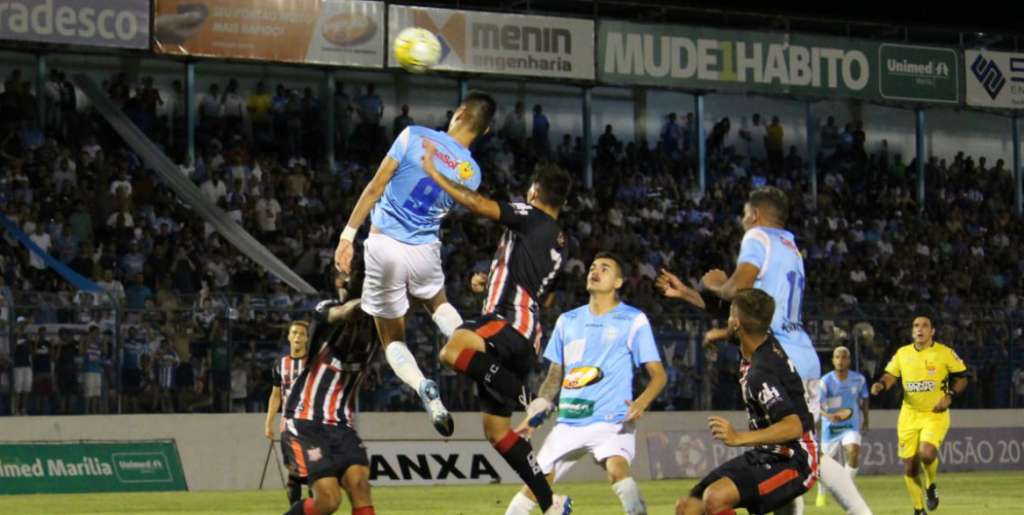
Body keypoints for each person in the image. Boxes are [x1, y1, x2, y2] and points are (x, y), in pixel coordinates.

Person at [658, 186, 870, 515]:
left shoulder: (758, 238)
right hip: (798, 352)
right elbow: (746, 312)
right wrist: (690, 295)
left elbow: (736, 291)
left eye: (744, 214)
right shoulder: (790, 246)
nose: (743, 221)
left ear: (755, 215)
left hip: (777, 358)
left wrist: (713, 283)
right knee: (788, 457)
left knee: (799, 453)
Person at [419, 145, 574, 515]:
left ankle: (529, 398)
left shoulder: (529, 214)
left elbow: (479, 205)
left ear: (534, 192)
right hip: (525, 331)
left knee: (452, 351)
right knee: (498, 432)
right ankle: (551, 503)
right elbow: (542, 295)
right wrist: (489, 282)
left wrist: (435, 173)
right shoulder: (559, 241)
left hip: (507, 319)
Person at [333, 92, 497, 437]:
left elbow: (376, 187)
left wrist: (347, 235)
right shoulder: (473, 173)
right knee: (439, 304)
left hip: (384, 245)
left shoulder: (412, 136)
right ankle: (482, 354)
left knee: (391, 336)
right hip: (424, 249)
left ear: (460, 112)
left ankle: (424, 386)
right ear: (483, 132)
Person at [505, 253, 666, 515]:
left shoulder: (633, 320)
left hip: (612, 419)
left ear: (618, 282)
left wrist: (641, 402)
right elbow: (555, 375)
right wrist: (537, 411)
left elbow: (659, 375)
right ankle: (556, 507)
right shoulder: (567, 321)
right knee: (534, 486)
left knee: (617, 471)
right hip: (569, 421)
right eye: (592, 267)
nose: (595, 271)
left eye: (605, 268)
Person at [676, 289, 818, 515]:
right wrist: (686, 295)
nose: (728, 321)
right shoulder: (761, 338)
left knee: (714, 499)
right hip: (767, 453)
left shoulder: (760, 372)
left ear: (738, 324)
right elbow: (746, 321)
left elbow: (793, 426)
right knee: (689, 507)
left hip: (795, 458)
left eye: (731, 316)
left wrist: (738, 438)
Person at [280, 294, 378, 515]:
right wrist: (372, 297)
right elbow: (343, 312)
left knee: (360, 484)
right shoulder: (329, 311)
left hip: (341, 424)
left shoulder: (379, 327)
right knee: (329, 500)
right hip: (306, 423)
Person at [871, 316, 968, 515]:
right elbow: (891, 375)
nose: (919, 329)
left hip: (935, 414)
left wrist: (949, 396)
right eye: (916, 325)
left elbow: (962, 377)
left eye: (925, 326)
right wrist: (881, 384)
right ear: (912, 331)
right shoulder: (903, 353)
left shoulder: (944, 353)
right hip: (909, 416)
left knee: (927, 452)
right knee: (910, 467)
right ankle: (918, 510)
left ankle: (931, 485)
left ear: (932, 331)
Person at [816, 346, 869, 507]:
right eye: (837, 357)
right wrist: (828, 416)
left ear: (849, 360)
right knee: (823, 465)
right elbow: (817, 405)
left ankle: (843, 489)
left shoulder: (859, 379)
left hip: (850, 426)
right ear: (833, 360)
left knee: (853, 452)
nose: (840, 360)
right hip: (830, 428)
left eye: (844, 357)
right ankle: (821, 494)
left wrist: (866, 419)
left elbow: (864, 398)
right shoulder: (825, 381)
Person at [266, 320, 311, 506]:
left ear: (307, 338)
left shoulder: (314, 363)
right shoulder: (280, 364)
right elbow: (276, 395)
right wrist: (268, 423)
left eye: (301, 334)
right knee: (294, 472)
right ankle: (295, 509)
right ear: (289, 337)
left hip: (312, 423)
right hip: (289, 425)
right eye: (294, 333)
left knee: (314, 472)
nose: (298, 337)